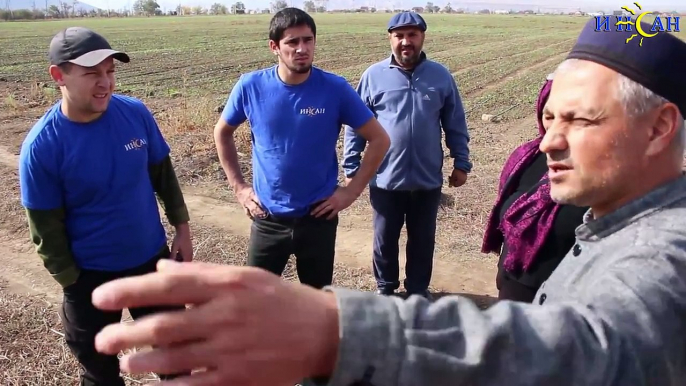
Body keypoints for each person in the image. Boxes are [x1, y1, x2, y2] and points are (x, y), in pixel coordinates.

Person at [88, 17, 686, 386]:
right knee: (379, 253)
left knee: (405, 261)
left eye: (580, 119)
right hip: (310, 206)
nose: (547, 141)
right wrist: (249, 189)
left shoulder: (665, 252)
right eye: (548, 115)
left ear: (660, 129)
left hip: (406, 188)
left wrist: (338, 330)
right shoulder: (608, 219)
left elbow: (589, 351)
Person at [17, 27, 193, 386]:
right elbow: (44, 228)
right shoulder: (42, 146)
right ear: (58, 76)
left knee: (176, 361)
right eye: (91, 73)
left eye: (110, 71)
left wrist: (182, 228)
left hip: (151, 263)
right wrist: (72, 281)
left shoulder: (135, 113)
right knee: (101, 376)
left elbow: (163, 175)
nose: (105, 83)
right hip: (90, 277)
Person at [213, 8, 390, 289]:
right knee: (256, 299)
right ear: (274, 47)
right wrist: (240, 188)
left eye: (308, 40)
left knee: (316, 300)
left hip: (318, 217)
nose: (302, 49)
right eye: (292, 42)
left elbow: (380, 139)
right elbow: (222, 132)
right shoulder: (251, 86)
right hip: (268, 217)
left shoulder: (335, 88)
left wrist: (351, 191)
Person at [342, 11, 471, 298]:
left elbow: (455, 122)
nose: (405, 42)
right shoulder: (373, 77)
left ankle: (417, 291)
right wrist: (352, 164)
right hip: (385, 178)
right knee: (384, 239)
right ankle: (386, 288)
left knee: (423, 240)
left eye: (412, 35)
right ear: (390, 38)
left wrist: (461, 162)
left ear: (422, 37)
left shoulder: (440, 76)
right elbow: (356, 124)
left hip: (427, 180)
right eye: (399, 36)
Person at [481, 74, 588, 302]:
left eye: (569, 116)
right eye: (550, 115)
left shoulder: (604, 175)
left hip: (565, 306)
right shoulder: (525, 158)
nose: (556, 126)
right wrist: (503, 267)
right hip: (513, 293)